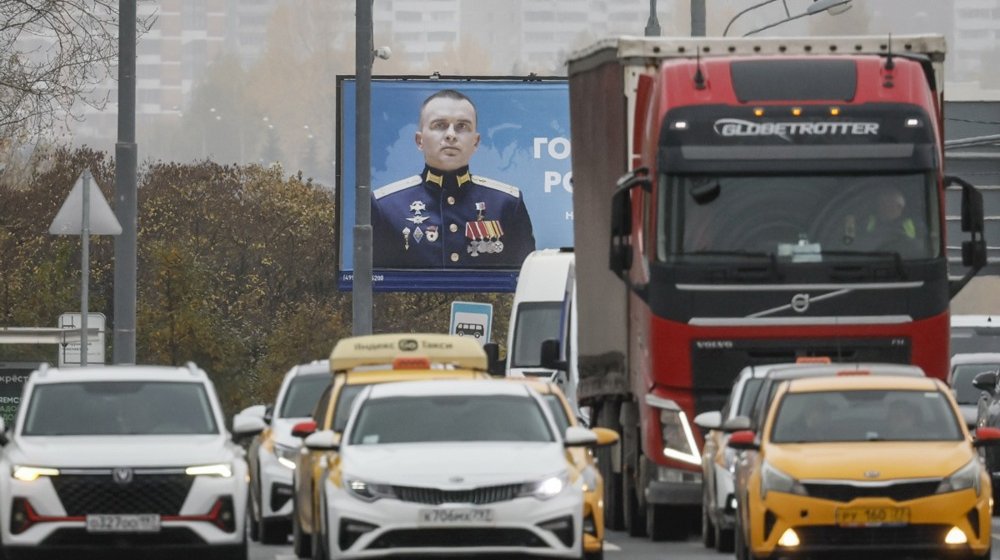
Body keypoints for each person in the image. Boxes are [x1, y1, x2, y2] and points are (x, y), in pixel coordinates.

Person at [371, 89, 535, 269]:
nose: (451, 135)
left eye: (462, 126)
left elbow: (525, 278)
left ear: (476, 142)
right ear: (419, 140)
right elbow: (371, 281)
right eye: (439, 125)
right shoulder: (386, 207)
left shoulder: (506, 204)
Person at [858, 186, 918, 252]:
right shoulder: (867, 221)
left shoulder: (914, 224)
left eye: (890, 204)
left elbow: (919, 247)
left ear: (900, 207)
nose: (885, 208)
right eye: (882, 203)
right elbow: (860, 242)